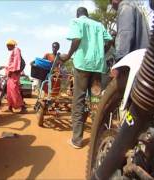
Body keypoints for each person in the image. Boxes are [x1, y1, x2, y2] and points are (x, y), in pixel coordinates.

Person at [60, 7, 112, 149]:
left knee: (79, 100)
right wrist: (102, 53)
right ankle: (99, 137)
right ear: (88, 15)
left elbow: (77, 38)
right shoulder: (99, 25)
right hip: (97, 67)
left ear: (78, 14)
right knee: (96, 100)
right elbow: (110, 41)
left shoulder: (77, 22)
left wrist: (68, 55)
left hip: (82, 66)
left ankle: (77, 140)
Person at [2, 39, 27, 113]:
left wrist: (12, 71)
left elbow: (16, 62)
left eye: (8, 46)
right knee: (9, 91)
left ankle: (23, 107)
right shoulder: (13, 51)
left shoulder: (16, 49)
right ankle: (10, 107)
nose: (7, 47)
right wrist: (7, 69)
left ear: (11, 45)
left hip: (14, 74)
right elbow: (11, 64)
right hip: (11, 74)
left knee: (14, 91)